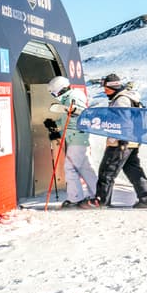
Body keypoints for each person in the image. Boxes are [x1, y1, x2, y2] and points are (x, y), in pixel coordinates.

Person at [94, 74, 147, 208]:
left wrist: (121, 140)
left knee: (107, 172)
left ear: (113, 87)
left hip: (120, 142)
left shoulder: (121, 100)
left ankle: (101, 201)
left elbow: (124, 121)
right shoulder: (129, 97)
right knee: (134, 171)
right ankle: (146, 200)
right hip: (132, 141)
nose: (104, 91)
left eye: (106, 89)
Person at [44, 76, 99, 208]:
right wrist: (55, 126)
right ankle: (100, 194)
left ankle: (75, 198)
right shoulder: (68, 98)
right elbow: (67, 120)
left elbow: (79, 116)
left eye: (54, 93)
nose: (53, 95)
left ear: (60, 89)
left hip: (77, 138)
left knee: (70, 168)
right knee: (86, 168)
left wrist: (73, 113)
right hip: (77, 137)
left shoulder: (73, 98)